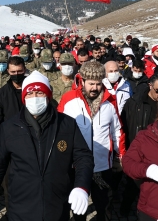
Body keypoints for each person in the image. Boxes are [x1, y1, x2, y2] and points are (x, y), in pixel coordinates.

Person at [0, 71, 94, 220]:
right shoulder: (9, 127)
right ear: (24, 98)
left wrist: (81, 186)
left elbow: (83, 157)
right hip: (21, 205)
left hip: (56, 203)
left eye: (39, 92)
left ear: (48, 96)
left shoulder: (67, 124)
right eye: (30, 94)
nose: (34, 98)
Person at [58, 61, 124, 221]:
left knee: (103, 205)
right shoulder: (69, 101)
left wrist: (121, 155)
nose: (94, 88)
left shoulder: (110, 102)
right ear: (82, 81)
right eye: (91, 84)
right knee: (78, 208)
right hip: (76, 166)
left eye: (98, 83)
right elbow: (59, 132)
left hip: (102, 166)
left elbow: (117, 132)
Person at [119, 72, 158, 215]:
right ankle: (124, 210)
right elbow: (124, 126)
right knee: (132, 184)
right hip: (137, 150)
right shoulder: (134, 103)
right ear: (150, 86)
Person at [0, 56, 27, 156]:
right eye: (13, 72)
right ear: (8, 71)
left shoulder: (33, 90)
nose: (16, 74)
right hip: (10, 143)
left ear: (24, 70)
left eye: (19, 71)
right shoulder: (2, 93)